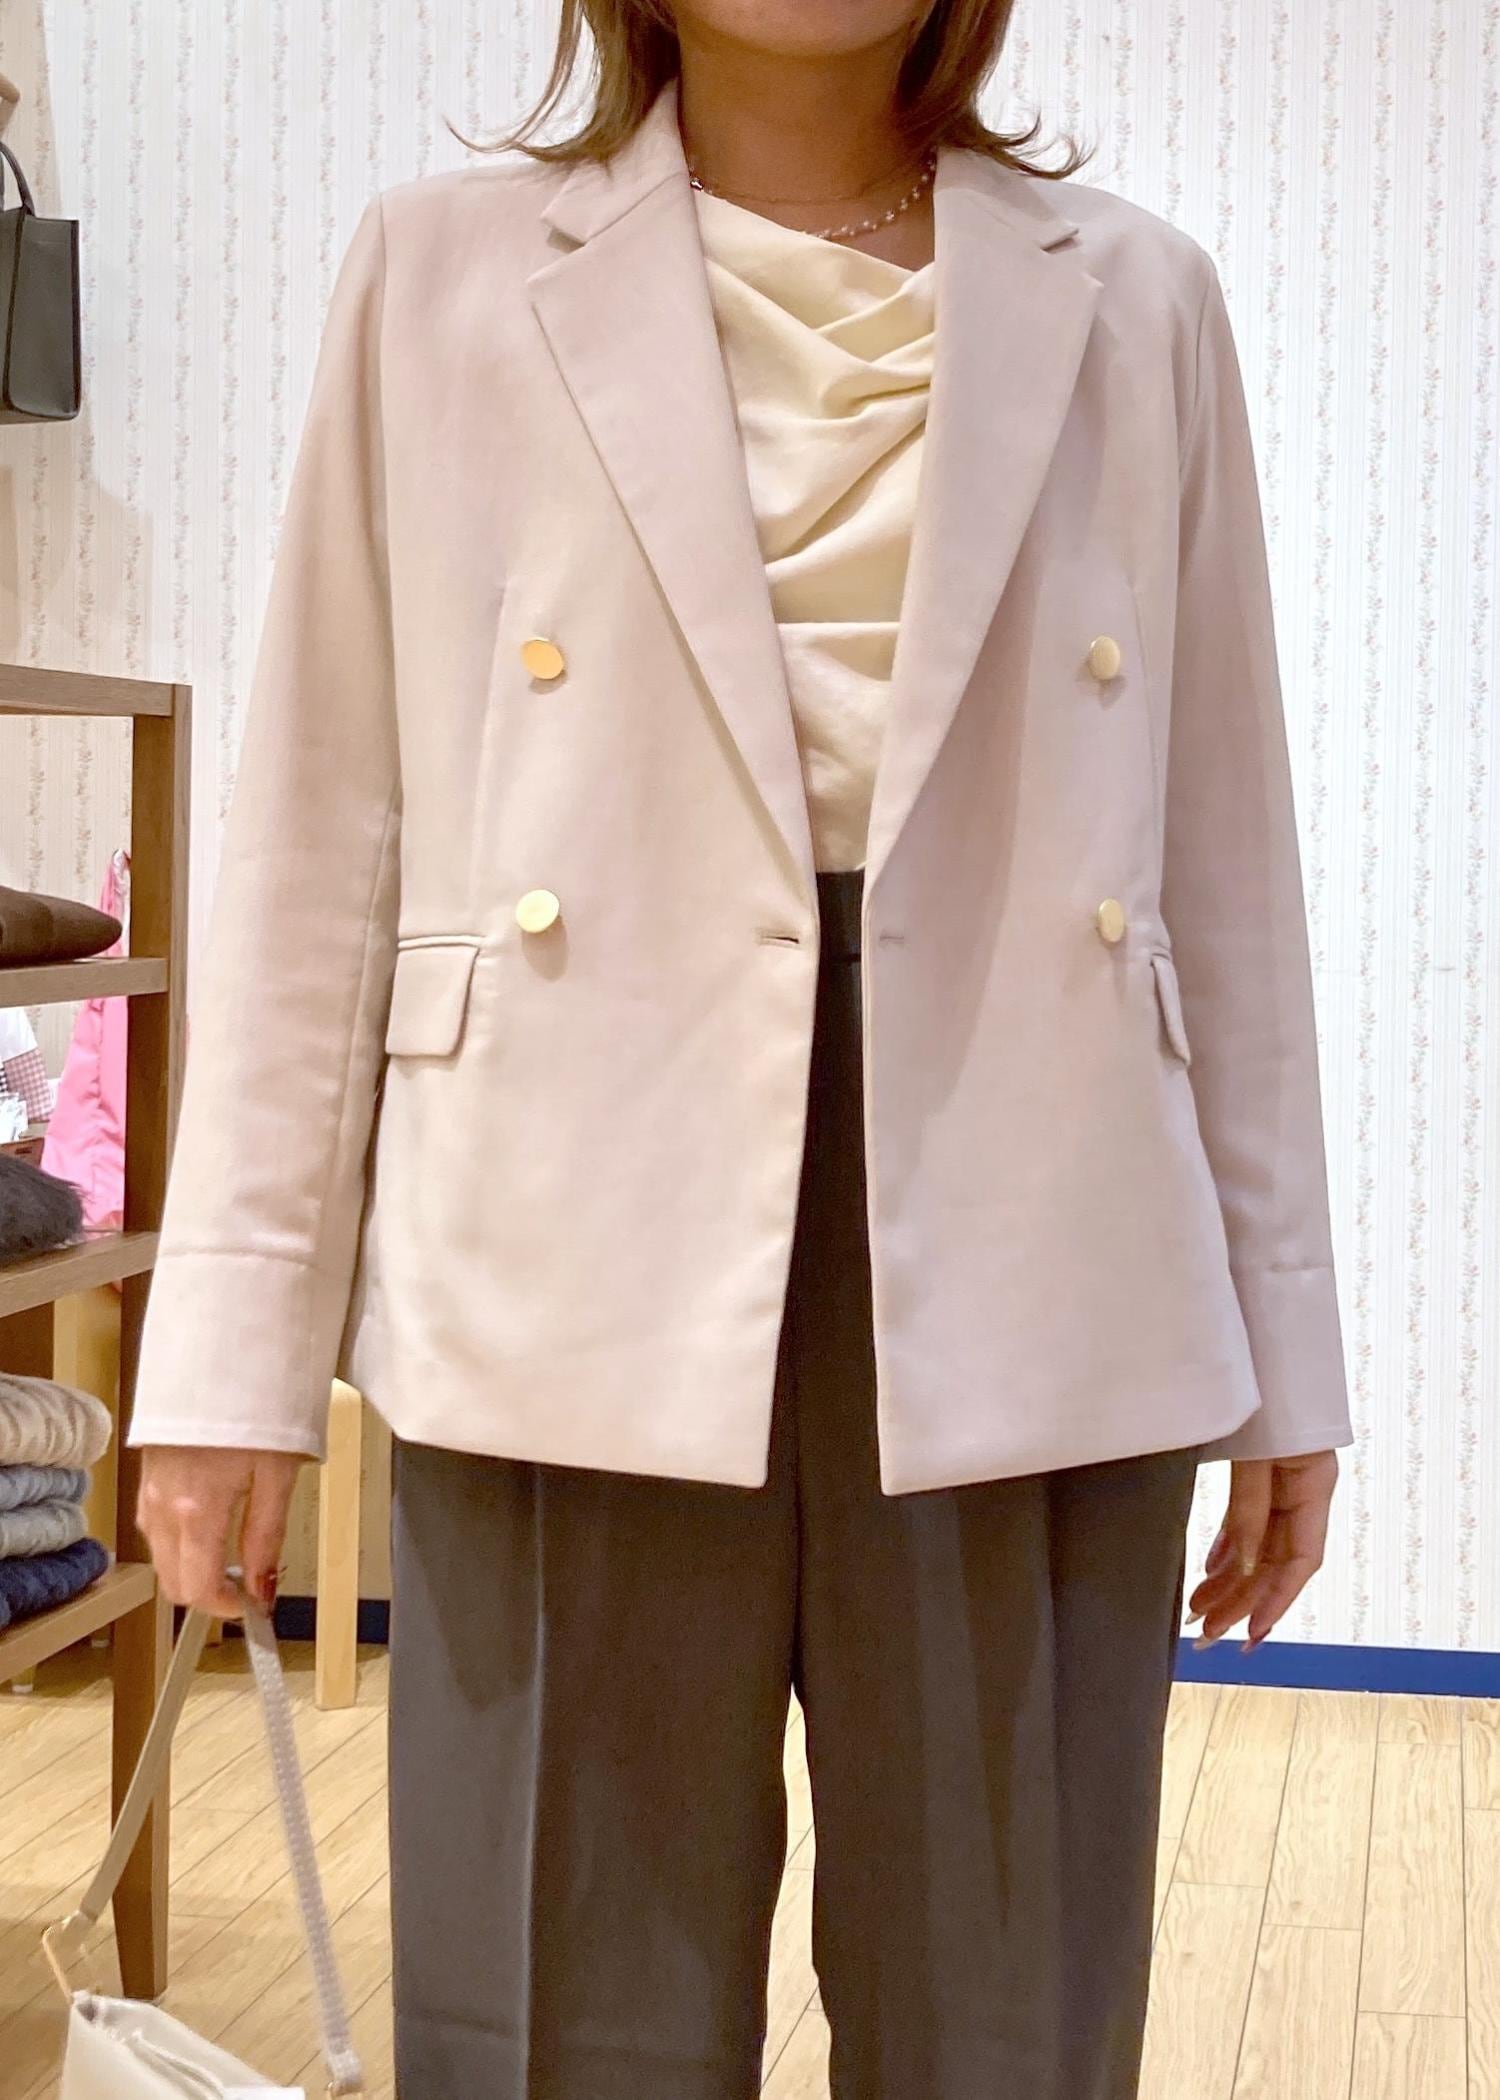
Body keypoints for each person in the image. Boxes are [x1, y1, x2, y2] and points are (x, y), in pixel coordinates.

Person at [130, 3, 1352, 2095]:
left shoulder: (1138, 299)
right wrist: (230, 1355)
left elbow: (1221, 858)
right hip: (565, 1221)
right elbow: (325, 827)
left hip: (1036, 1217)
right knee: (561, 2025)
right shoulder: (438, 274)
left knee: (1010, 2024)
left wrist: (1284, 1345)